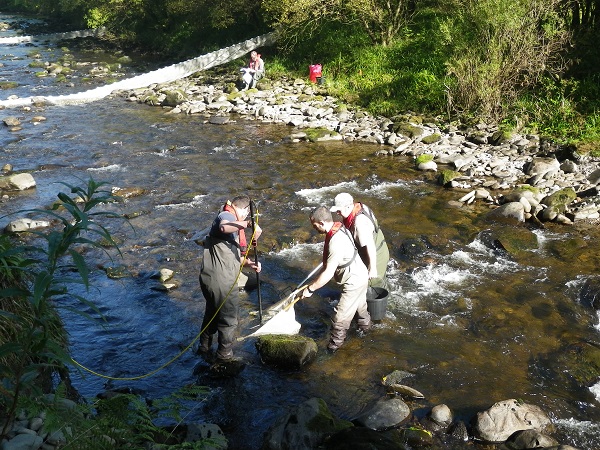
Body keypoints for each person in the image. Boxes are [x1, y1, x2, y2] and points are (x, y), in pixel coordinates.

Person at [198, 195, 262, 362]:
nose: (247, 217)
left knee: (211, 316)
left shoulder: (231, 221)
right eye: (247, 215)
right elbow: (223, 227)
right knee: (229, 320)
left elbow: (232, 256)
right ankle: (224, 357)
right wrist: (249, 224)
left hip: (211, 279)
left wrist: (249, 263)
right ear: (244, 210)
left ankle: (203, 350)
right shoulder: (226, 216)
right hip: (222, 282)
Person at [301, 206, 371, 352]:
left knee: (340, 319)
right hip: (362, 274)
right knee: (360, 308)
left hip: (353, 281)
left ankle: (333, 349)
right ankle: (367, 335)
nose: (314, 228)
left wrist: (310, 289)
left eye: (314, 225)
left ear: (321, 223)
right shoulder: (340, 227)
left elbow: (328, 273)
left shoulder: (335, 242)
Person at [330, 193, 390, 290]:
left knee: (373, 285)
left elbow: (370, 246)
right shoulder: (359, 208)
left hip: (376, 256)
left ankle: (384, 304)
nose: (337, 213)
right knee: (379, 282)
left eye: (339, 210)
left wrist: (372, 269)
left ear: (348, 206)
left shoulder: (359, 223)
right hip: (380, 248)